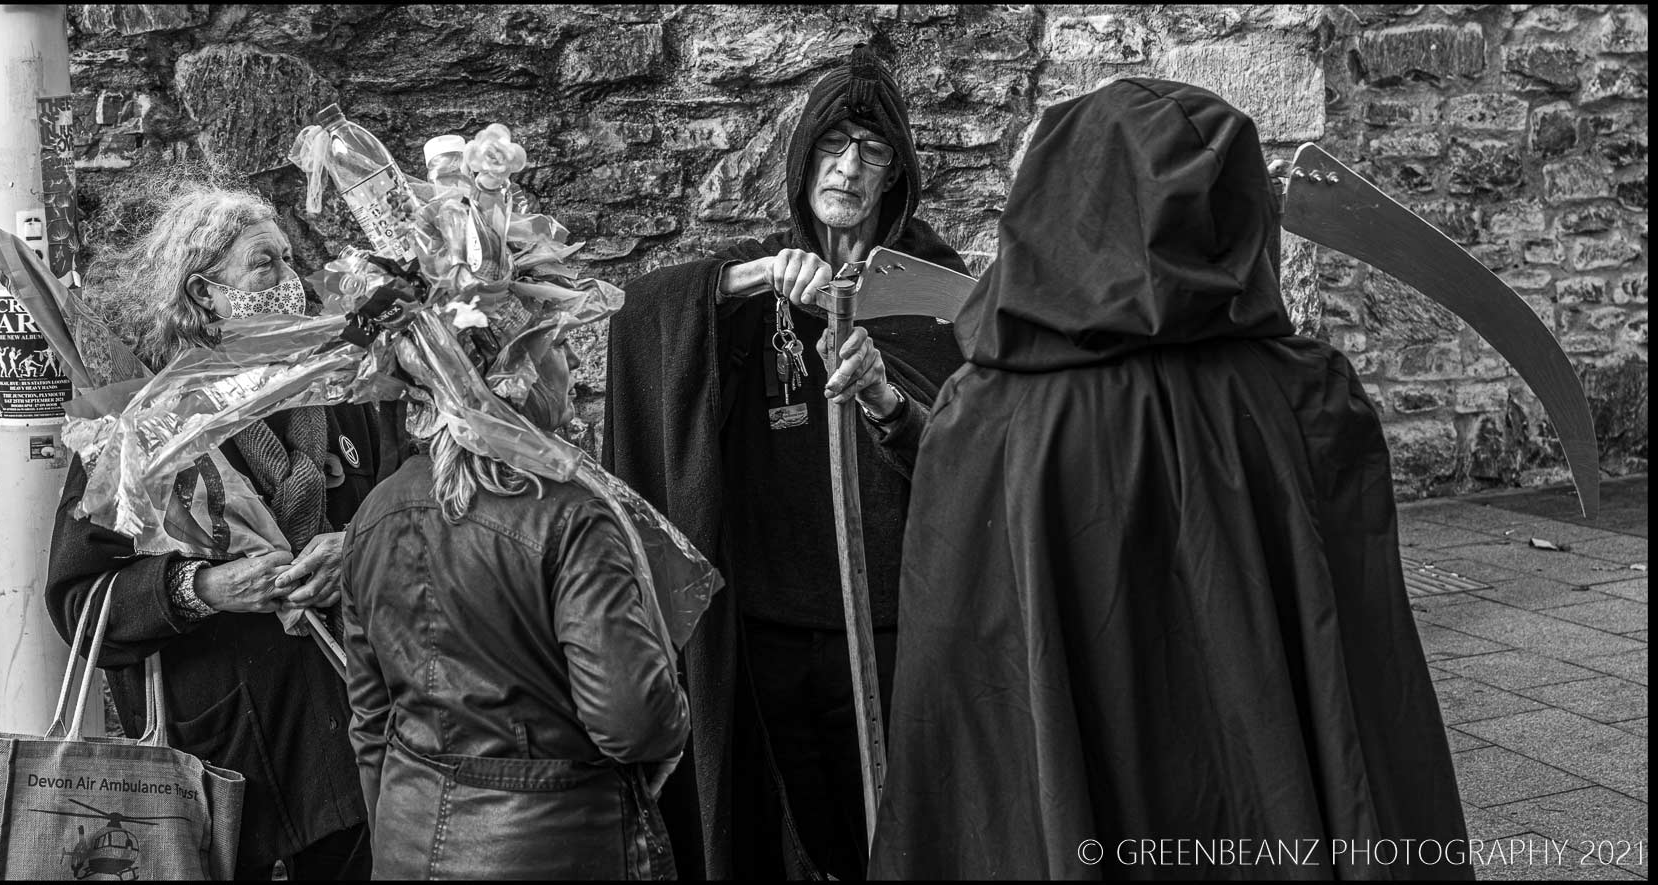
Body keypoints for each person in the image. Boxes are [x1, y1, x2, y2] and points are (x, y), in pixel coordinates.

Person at [871, 78, 1473, 879]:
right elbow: (1359, 664)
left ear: (1060, 204)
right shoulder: (1311, 394)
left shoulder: (988, 414)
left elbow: (969, 694)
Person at [603, 44, 966, 881]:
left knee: (896, 834)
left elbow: (970, 450)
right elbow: (643, 321)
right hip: (768, 623)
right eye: (833, 146)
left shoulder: (930, 292)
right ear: (803, 161)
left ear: (894, 176)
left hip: (889, 625)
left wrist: (882, 395)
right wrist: (758, 277)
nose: (848, 167)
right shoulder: (755, 280)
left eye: (871, 152)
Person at [46, 182, 405, 881]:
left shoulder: (339, 392)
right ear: (205, 294)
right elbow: (78, 602)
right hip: (230, 763)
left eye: (290, 261)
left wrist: (355, 548)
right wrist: (203, 586)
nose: (292, 281)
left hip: (355, 739)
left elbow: (406, 516)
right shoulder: (143, 422)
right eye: (265, 264)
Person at [339, 294, 690, 878]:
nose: (575, 359)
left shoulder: (374, 512)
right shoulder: (569, 515)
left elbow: (372, 724)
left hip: (410, 841)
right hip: (560, 847)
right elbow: (633, 721)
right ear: (511, 373)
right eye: (555, 344)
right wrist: (672, 708)